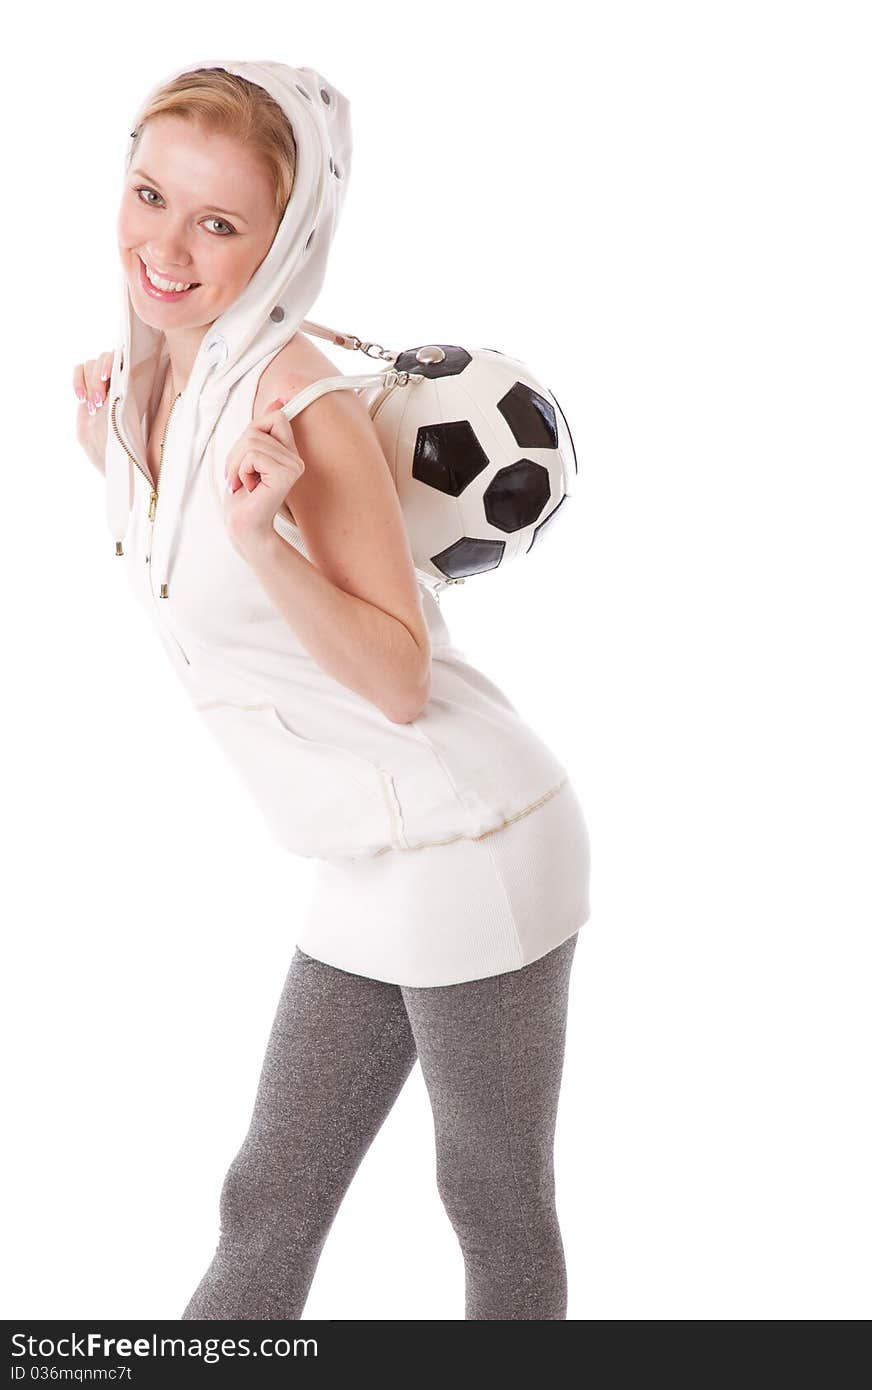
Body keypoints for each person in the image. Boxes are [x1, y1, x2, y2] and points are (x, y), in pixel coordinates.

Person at [73, 59, 591, 1321]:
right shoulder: (159, 381)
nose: (168, 248)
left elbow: (400, 678)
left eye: (220, 223)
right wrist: (111, 457)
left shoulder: (304, 404)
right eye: (151, 195)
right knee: (269, 1198)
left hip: (471, 836)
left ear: (287, 234)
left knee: (491, 1201)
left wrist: (264, 544)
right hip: (364, 849)